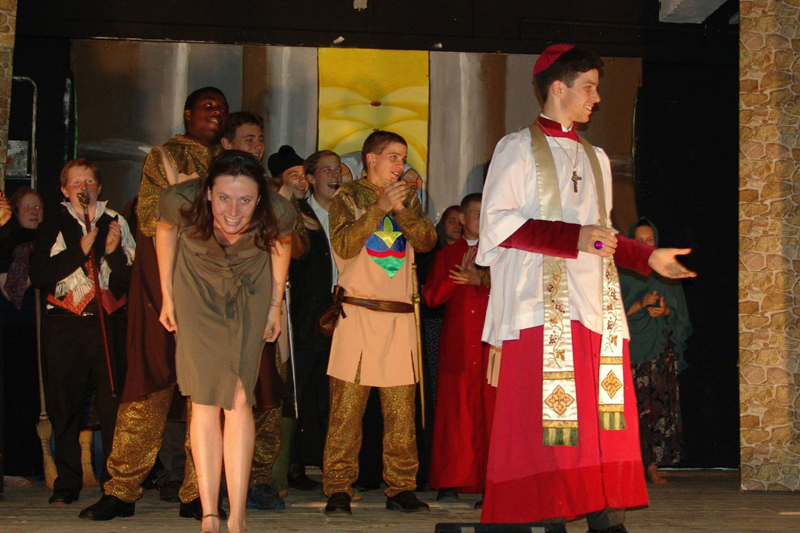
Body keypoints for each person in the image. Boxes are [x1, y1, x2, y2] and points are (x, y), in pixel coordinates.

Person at [476, 44, 696, 532]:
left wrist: (646, 257)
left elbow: (603, 234)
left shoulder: (595, 157)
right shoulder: (516, 148)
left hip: (595, 303)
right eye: (589, 88)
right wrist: (574, 237)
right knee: (552, 418)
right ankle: (550, 513)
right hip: (540, 304)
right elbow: (497, 224)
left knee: (600, 417)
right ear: (558, 87)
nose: (596, 98)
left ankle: (603, 514)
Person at [80, 87, 229, 521]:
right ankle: (122, 490)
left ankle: (198, 491)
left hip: (218, 290)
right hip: (166, 288)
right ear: (187, 113)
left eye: (222, 108)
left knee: (209, 393)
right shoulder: (165, 156)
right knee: (148, 385)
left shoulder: (232, 164)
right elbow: (149, 216)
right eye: (208, 106)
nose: (216, 113)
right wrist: (192, 192)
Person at [156, 151, 295, 533]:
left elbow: (282, 242)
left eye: (245, 200)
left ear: (260, 198)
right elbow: (164, 231)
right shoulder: (181, 200)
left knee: (238, 395)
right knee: (203, 398)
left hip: (250, 286)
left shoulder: (279, 210)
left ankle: (237, 516)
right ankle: (209, 514)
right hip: (196, 286)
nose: (233, 211)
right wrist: (167, 294)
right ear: (207, 193)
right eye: (223, 198)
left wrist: (275, 305)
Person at [322, 130, 437, 515]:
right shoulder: (347, 196)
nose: (399, 165)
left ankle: (401, 487)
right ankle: (339, 487)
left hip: (399, 317)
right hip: (357, 313)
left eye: (403, 158)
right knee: (346, 410)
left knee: (401, 412)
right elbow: (344, 244)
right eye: (393, 157)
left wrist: (401, 209)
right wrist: (378, 208)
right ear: (370, 158)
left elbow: (427, 241)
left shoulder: (408, 199)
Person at [29, 159, 135, 506]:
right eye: (76, 183)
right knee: (65, 404)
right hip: (65, 324)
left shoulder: (114, 221)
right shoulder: (53, 223)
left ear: (98, 188)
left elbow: (130, 280)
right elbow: (40, 275)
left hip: (107, 322)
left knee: (112, 403)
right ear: (65, 190)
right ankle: (67, 481)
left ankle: (114, 483)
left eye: (89, 181)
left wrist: (113, 253)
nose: (83, 188)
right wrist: (80, 251)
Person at [219, 111, 289, 511]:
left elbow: (292, 244)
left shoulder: (271, 194)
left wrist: (275, 304)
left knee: (263, 395)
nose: (257, 146)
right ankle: (207, 486)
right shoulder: (212, 189)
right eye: (248, 139)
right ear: (227, 144)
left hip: (259, 306)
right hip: (213, 307)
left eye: (260, 139)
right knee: (212, 400)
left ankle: (257, 478)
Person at [424, 193, 495, 505]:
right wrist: (458, 280)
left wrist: (482, 279)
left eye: (486, 213)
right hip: (458, 345)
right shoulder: (447, 254)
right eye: (476, 213)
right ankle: (450, 481)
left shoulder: (501, 252)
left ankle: (491, 483)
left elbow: (518, 291)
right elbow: (430, 298)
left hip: (491, 346)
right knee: (455, 414)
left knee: (490, 414)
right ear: (463, 219)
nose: (482, 219)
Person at [619, 218, 692, 486]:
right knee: (631, 409)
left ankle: (652, 466)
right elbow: (611, 312)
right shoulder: (622, 272)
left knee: (657, 409)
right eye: (638, 241)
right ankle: (628, 466)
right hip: (631, 349)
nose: (645, 245)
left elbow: (679, 314)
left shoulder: (666, 271)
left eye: (649, 240)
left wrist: (664, 310)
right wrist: (640, 304)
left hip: (660, 349)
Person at [0, 188, 44, 487]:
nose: (34, 212)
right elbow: (9, 289)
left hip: (42, 328)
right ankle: (13, 465)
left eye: (38, 207)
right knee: (15, 398)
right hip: (13, 329)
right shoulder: (9, 241)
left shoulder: (49, 240)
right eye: (27, 207)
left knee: (36, 400)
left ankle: (36, 462)